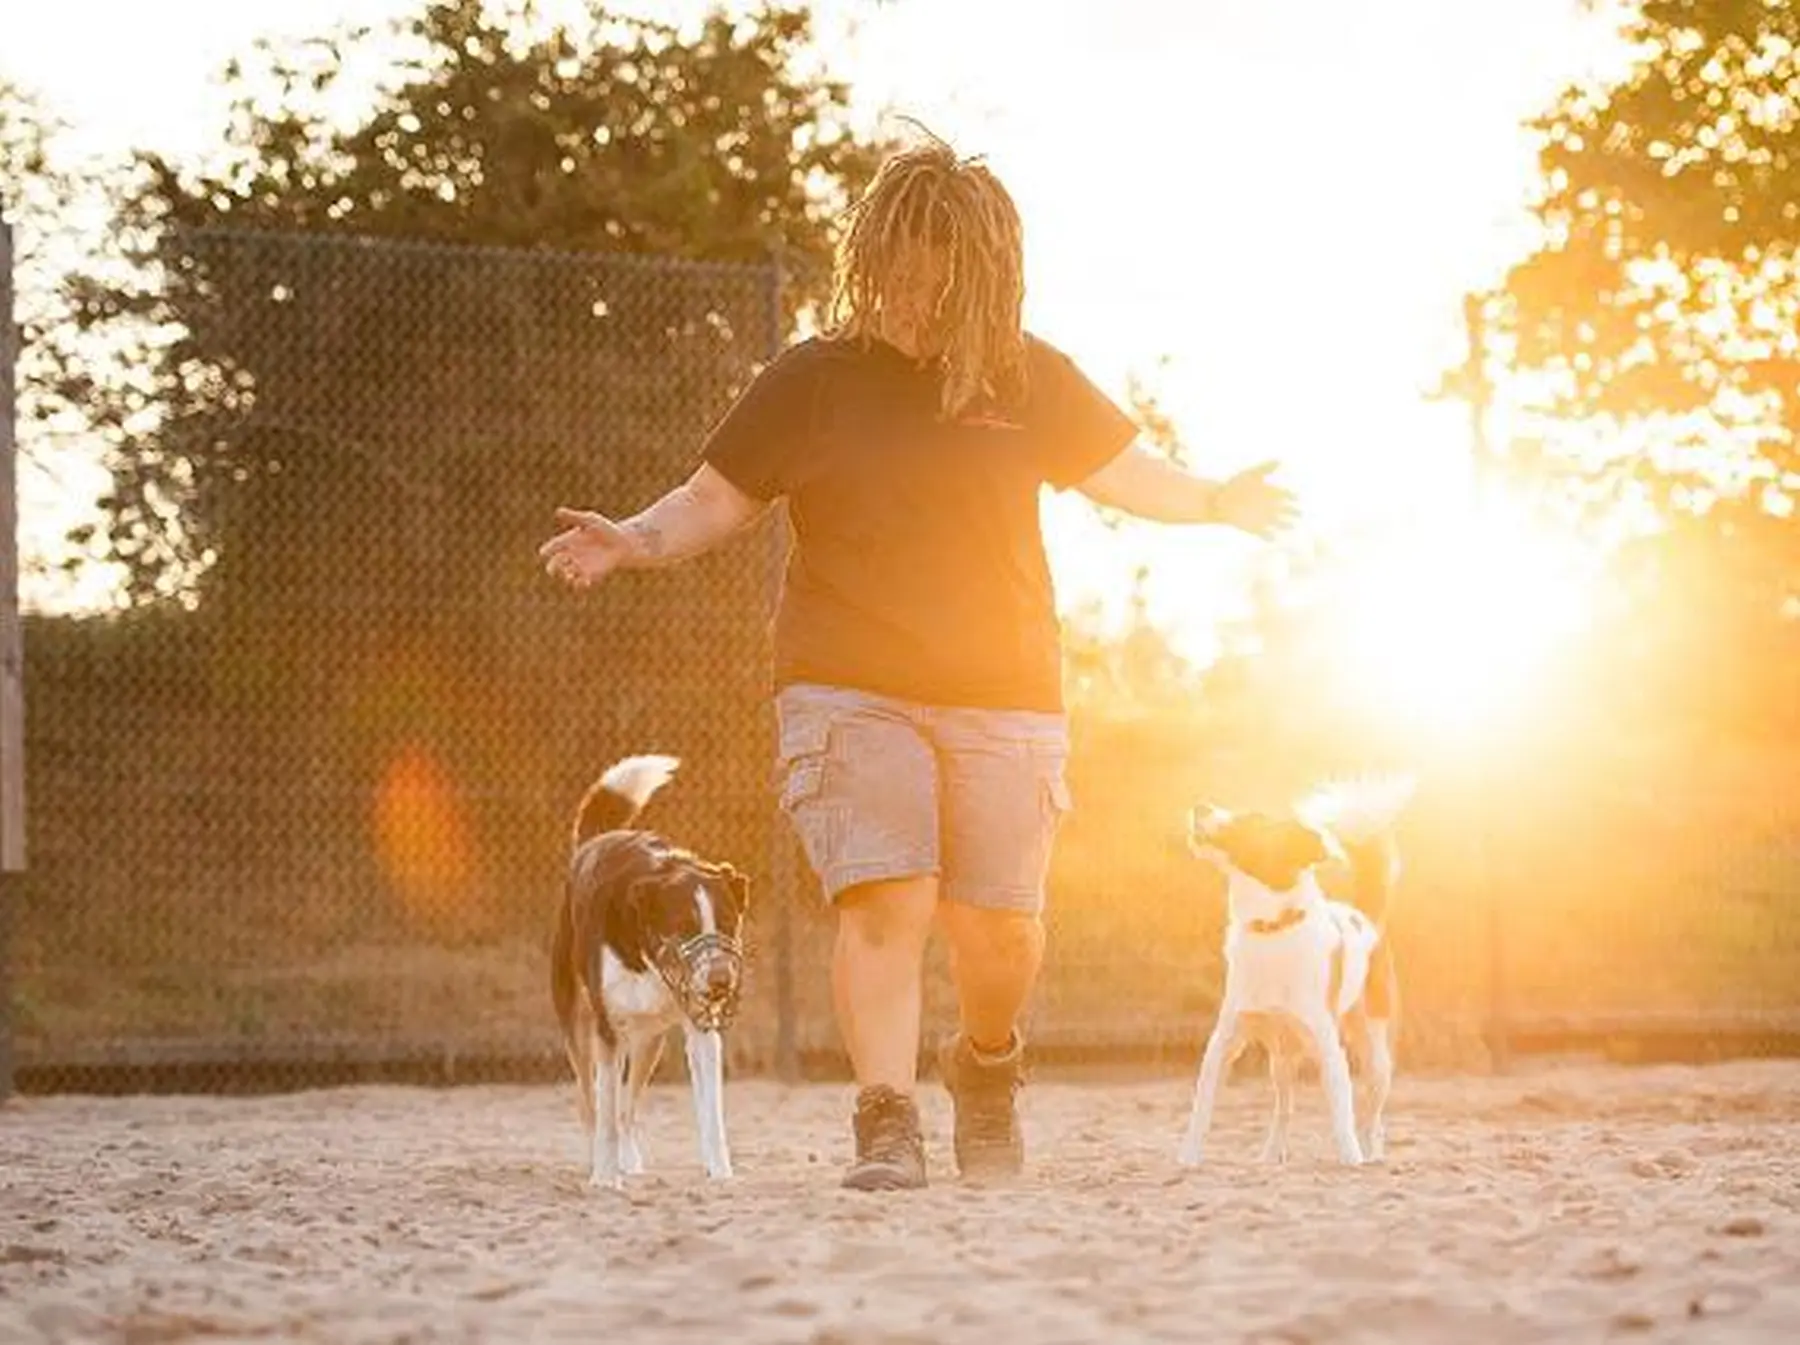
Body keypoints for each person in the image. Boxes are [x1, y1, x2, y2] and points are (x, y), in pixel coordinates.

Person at [538, 135, 1296, 1192]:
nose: (913, 299)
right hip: (846, 682)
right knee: (887, 900)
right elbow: (715, 497)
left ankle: (986, 1067)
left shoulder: (1029, 377)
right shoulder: (811, 380)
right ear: (872, 259)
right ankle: (886, 1120)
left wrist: (1216, 501)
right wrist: (633, 536)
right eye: (897, 273)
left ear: (983, 276)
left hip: (1006, 689)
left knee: (1001, 934)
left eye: (939, 281)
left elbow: (1127, 473)